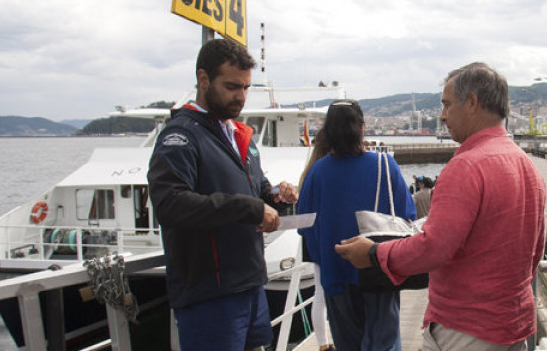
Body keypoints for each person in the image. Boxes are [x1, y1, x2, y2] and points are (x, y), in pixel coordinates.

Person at [335, 62, 547, 351]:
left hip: (466, 327)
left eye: (447, 105)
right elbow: (536, 250)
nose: (443, 116)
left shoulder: (466, 166)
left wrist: (373, 253)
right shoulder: (527, 166)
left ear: (472, 102)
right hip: (513, 325)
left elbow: (434, 247)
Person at [147, 38, 299, 351]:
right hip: (209, 293)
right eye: (232, 86)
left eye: (245, 88)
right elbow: (170, 204)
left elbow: (255, 189)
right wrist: (249, 208)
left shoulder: (237, 134)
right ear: (203, 79)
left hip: (250, 283)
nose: (240, 97)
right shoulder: (181, 135)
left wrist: (275, 196)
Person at [296, 99, 416, 351]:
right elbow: (408, 216)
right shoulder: (385, 165)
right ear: (361, 128)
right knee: (385, 343)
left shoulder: (317, 172)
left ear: (327, 131)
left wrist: (326, 259)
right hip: (379, 269)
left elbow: (306, 226)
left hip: (336, 274)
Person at [298, 129, 335, 351]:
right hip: (327, 235)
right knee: (326, 292)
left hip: (312, 237)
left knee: (319, 292)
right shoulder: (326, 171)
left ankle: (322, 343)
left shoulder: (308, 173)